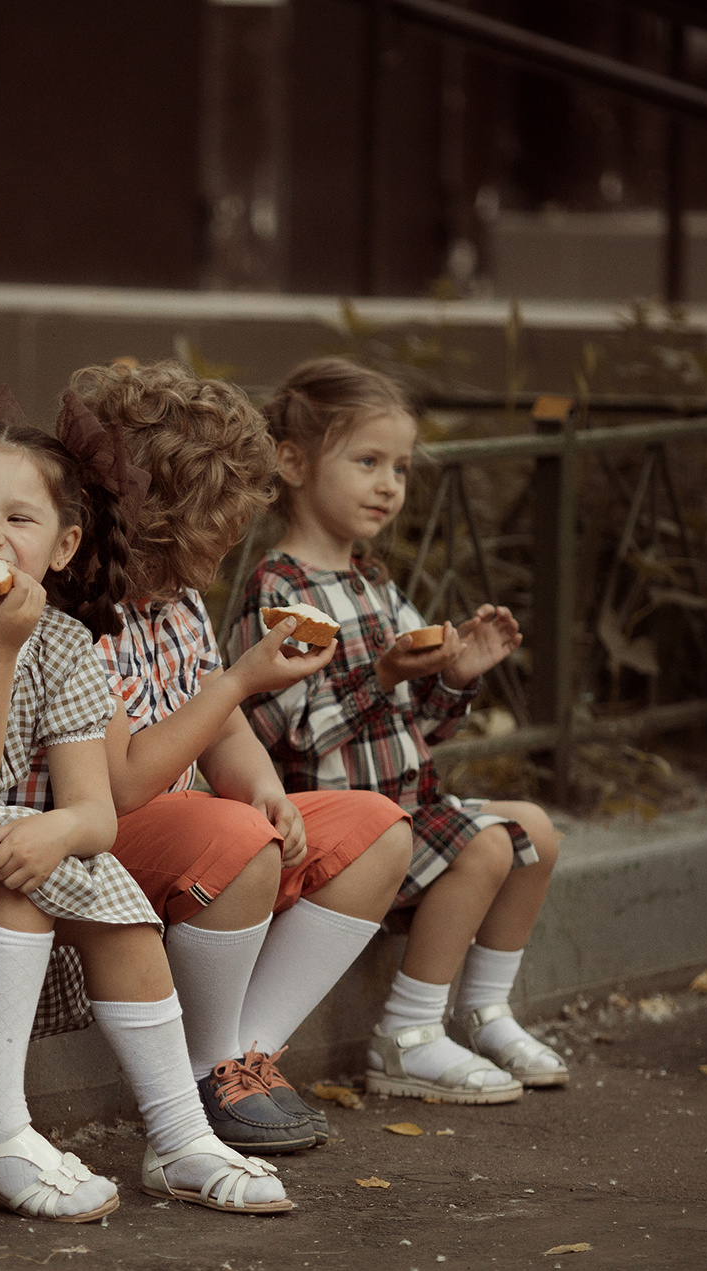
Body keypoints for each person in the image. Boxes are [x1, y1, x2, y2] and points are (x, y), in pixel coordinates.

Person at [0, 387, 290, 1221]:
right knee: (11, 835)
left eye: (20, 521)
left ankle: (179, 1135)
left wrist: (61, 827)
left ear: (64, 546)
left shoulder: (66, 641)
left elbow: (96, 812)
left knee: (63, 847)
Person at [67, 359, 410, 1154]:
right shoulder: (85, 608)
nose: (237, 531)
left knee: (381, 829)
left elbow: (222, 731)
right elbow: (120, 785)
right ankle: (207, 1070)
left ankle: (242, 1056)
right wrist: (243, 677)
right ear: (166, 517)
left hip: (198, 828)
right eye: (222, 517)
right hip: (106, 832)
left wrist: (262, 787)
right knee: (238, 843)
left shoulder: (182, 598)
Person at [230, 357, 566, 1106]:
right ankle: (407, 1035)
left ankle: (484, 1011)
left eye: (402, 468)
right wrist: (377, 677)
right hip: (335, 831)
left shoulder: (375, 584)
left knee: (537, 832)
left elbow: (427, 729)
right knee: (483, 843)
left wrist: (457, 673)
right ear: (292, 463)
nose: (389, 484)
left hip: (406, 812)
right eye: (368, 461)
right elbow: (287, 734)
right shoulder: (278, 588)